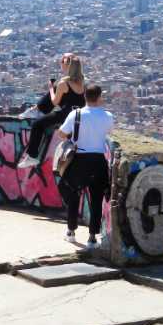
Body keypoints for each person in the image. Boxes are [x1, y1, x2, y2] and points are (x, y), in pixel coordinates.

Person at [57, 83, 114, 248]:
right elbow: (109, 133)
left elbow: (61, 133)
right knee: (96, 199)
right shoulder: (107, 116)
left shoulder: (76, 114)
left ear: (85, 97)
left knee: (73, 194)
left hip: (80, 159)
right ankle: (92, 238)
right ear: (100, 97)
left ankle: (71, 232)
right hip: (98, 161)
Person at [18, 54, 86, 168]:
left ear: (69, 66)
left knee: (37, 124)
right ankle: (37, 109)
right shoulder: (82, 81)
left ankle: (32, 157)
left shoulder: (64, 83)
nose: (60, 63)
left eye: (63, 61)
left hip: (67, 115)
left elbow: (54, 102)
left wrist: (50, 88)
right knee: (55, 88)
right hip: (80, 115)